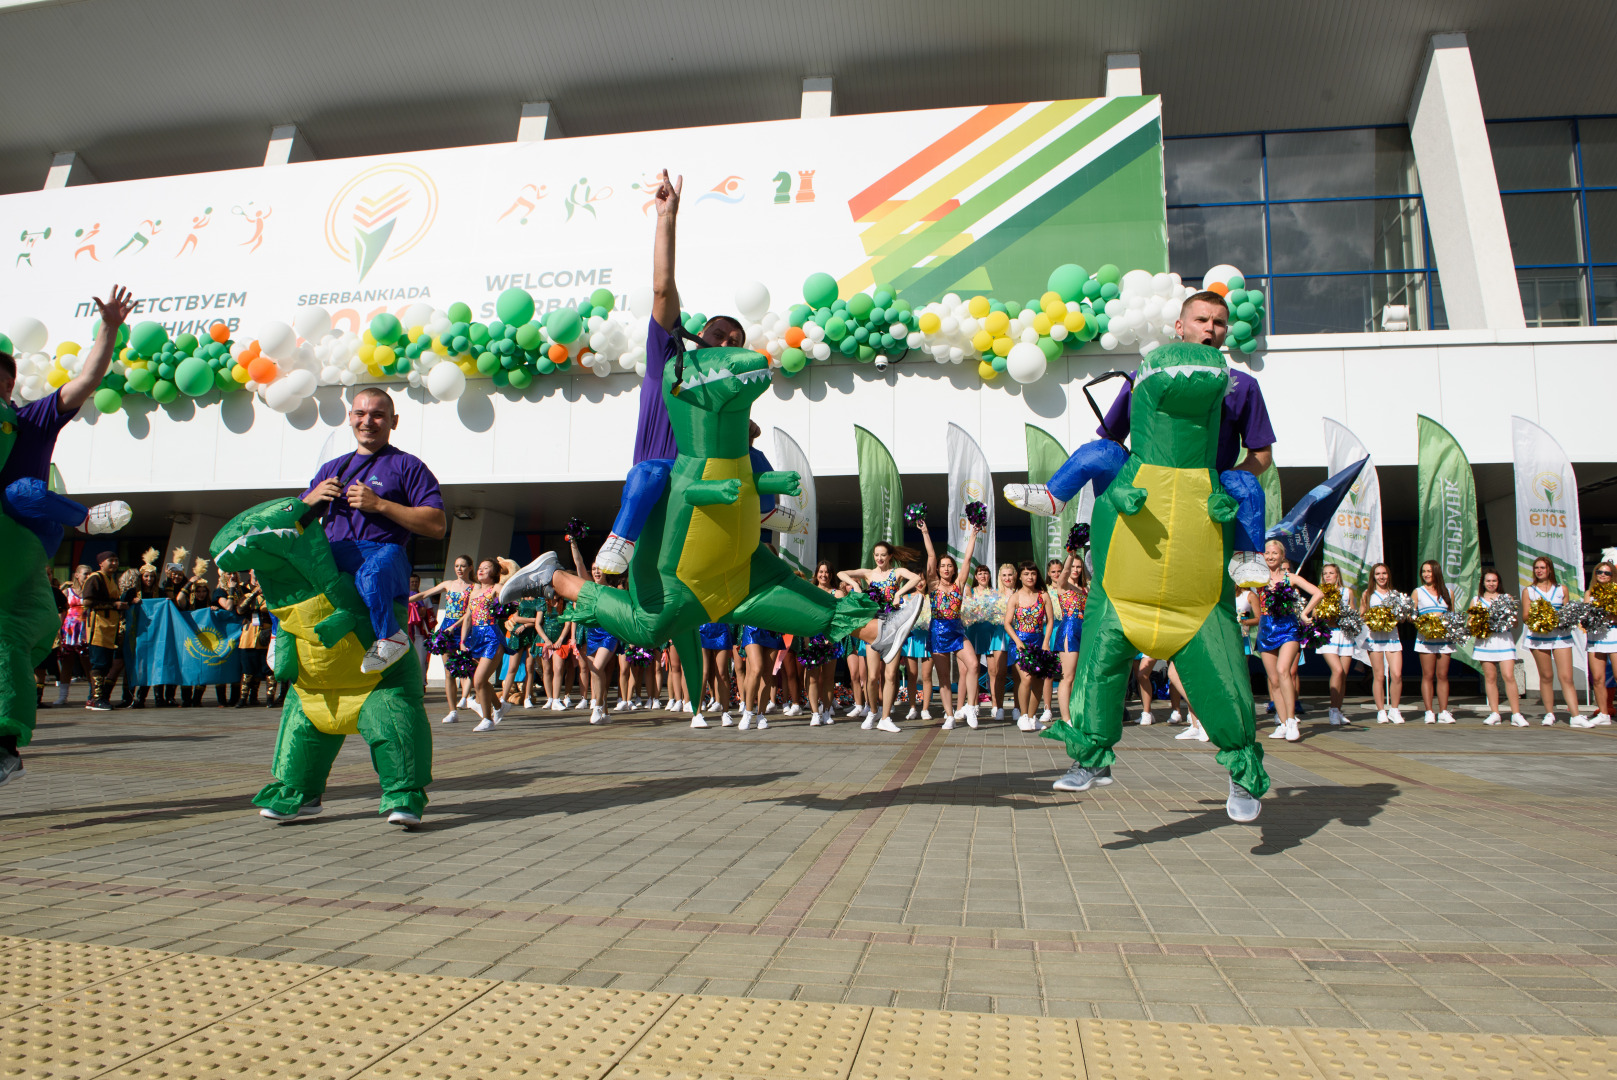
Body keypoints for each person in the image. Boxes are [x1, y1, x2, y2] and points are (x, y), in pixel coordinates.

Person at [569, 168, 801, 577]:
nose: (728, 343)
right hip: (660, 481)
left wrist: (744, 431)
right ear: (698, 337)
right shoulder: (670, 361)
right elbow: (662, 288)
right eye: (719, 334)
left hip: (702, 493)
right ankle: (619, 539)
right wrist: (666, 218)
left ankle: (766, 514)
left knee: (755, 456)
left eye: (736, 340)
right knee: (653, 472)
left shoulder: (727, 392)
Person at [1004, 291, 1274, 589]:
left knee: (1247, 485)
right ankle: (1057, 498)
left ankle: (1248, 555)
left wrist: (1226, 480)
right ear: (1180, 327)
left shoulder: (1244, 386)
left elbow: (1262, 455)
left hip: (1205, 492)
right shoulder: (1144, 378)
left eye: (1219, 322)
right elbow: (1111, 439)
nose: (1210, 327)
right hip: (1148, 484)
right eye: (1201, 319)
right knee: (1103, 452)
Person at [1, 285, 136, 783]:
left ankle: (83, 518)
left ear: (10, 389)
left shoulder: (30, 421)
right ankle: (5, 746)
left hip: (27, 526)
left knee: (20, 491)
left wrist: (110, 328)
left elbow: (87, 378)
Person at [302, 387, 446, 674]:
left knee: (374, 572)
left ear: (394, 421)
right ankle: (280, 642)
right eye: (361, 413)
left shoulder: (408, 466)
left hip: (382, 558)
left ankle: (390, 638)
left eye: (378, 415)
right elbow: (295, 523)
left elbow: (437, 525)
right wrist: (311, 500)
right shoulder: (331, 468)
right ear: (350, 417)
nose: (367, 421)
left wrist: (380, 505)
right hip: (336, 563)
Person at [838, 543, 922, 732]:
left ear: (890, 555)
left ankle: (886, 717)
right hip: (873, 628)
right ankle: (872, 711)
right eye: (876, 555)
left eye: (883, 555)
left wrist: (899, 592)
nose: (879, 558)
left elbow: (916, 577)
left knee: (891, 674)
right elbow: (841, 573)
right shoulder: (868, 573)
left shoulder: (897, 572)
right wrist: (854, 585)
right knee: (873, 676)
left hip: (893, 627)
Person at [1257, 539, 1322, 742]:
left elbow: (1318, 593)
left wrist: (1304, 613)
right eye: (1267, 553)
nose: (1270, 556)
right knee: (1274, 680)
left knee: (1284, 670)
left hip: (1288, 628)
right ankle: (1283, 723)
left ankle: (1292, 721)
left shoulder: (1290, 577)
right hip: (1266, 629)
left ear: (1282, 556)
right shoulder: (1258, 578)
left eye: (1274, 553)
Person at [918, 520, 980, 729]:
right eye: (943, 566)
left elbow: (968, 558)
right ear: (938, 569)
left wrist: (973, 534)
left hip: (957, 631)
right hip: (937, 633)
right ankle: (950, 715)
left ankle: (971, 706)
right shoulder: (933, 584)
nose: (946, 568)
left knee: (972, 665)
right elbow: (931, 556)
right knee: (943, 678)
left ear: (954, 569)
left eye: (949, 566)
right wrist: (926, 532)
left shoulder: (959, 584)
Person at [412, 555, 474, 723]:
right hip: (446, 629)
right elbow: (425, 593)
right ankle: (452, 710)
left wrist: (454, 627)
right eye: (456, 565)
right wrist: (405, 600)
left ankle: (467, 697)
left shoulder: (474, 587)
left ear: (470, 567)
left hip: (464, 629)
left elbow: (469, 613)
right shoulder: (448, 584)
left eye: (462, 566)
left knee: (465, 667)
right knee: (448, 672)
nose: (459, 569)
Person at [1522, 556, 1581, 725]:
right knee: (1546, 676)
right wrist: (1541, 619)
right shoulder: (1529, 591)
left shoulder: (1562, 589)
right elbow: (1525, 616)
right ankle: (1549, 713)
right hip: (1539, 637)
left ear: (1550, 570)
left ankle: (1575, 716)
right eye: (1536, 568)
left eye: (1542, 567)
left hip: (1560, 637)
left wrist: (1558, 620)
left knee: (1566, 677)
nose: (1539, 570)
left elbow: (1566, 612)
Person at [1002, 561, 1055, 731]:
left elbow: (1050, 620)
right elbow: (1007, 623)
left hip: (1039, 641)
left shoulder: (1043, 595)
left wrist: (1046, 641)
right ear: (1020, 577)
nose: (1030, 577)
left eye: (1032, 573)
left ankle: (1033, 717)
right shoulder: (1015, 597)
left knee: (1039, 680)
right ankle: (1023, 715)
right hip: (1020, 643)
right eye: (1026, 574)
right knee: (1026, 678)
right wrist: (1017, 641)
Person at [1473, 569, 1525, 727]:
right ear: (1483, 583)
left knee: (1509, 676)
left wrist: (1507, 619)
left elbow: (1515, 623)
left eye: (1494, 581)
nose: (1491, 584)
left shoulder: (1506, 598)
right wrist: (1480, 623)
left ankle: (1516, 713)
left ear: (1498, 582)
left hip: (1504, 640)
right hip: (1485, 642)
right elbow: (1471, 623)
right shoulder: (1477, 600)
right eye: (1488, 581)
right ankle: (1495, 713)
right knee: (1490, 678)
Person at [1360, 564, 1405, 724]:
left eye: (1384, 573)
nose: (1381, 576)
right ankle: (1381, 710)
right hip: (1374, 639)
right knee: (1378, 675)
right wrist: (1375, 618)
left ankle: (1394, 709)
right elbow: (1362, 615)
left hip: (1392, 637)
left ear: (1388, 575)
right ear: (1373, 576)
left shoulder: (1395, 594)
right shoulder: (1368, 594)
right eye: (1378, 574)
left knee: (1396, 675)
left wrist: (1393, 616)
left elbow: (1402, 617)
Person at [1413, 560, 1456, 724]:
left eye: (1429, 571)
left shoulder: (1448, 592)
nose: (1426, 574)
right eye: (1424, 571)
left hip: (1444, 639)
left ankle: (1444, 711)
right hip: (1426, 639)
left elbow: (1452, 615)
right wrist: (1423, 622)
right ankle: (1429, 711)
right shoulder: (1418, 592)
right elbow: (1412, 615)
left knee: (1443, 675)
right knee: (1428, 675)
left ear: (1436, 572)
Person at [1574, 560, 1616, 728]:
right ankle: (1604, 713)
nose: (1603, 575)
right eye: (1599, 572)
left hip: (1613, 633)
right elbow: (1585, 617)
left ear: (1612, 576)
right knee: (1598, 678)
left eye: (1606, 573)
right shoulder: (1589, 593)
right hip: (1595, 638)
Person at [1316, 564, 1356, 726]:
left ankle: (1338, 710)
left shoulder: (1347, 592)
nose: (1328, 576)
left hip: (1345, 634)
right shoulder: (1319, 592)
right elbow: (1313, 613)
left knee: (1343, 675)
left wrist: (1346, 615)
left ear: (1337, 575)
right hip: (1328, 634)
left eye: (1331, 573)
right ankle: (1332, 710)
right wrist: (1324, 612)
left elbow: (1353, 612)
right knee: (1337, 670)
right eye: (1325, 573)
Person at [1051, 555, 1087, 730]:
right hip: (1069, 630)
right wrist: (1071, 554)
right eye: (1073, 566)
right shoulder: (1063, 585)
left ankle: (1076, 713)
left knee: (1079, 678)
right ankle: (1066, 718)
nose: (1075, 569)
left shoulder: (1085, 589)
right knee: (1068, 676)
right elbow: (1064, 572)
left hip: (1084, 630)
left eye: (1079, 567)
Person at [55, 566, 92, 707]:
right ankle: (63, 696)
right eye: (85, 574)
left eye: (90, 573)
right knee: (67, 664)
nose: (88, 576)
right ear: (76, 575)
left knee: (87, 664)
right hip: (69, 632)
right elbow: (62, 612)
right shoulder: (67, 592)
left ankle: (93, 694)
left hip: (85, 632)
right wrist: (59, 630)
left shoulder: (90, 592)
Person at [235, 570, 272, 708]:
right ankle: (243, 697)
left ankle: (268, 698)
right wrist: (254, 594)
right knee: (248, 668)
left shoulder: (271, 596)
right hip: (250, 634)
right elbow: (240, 609)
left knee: (267, 668)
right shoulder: (246, 594)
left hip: (266, 634)